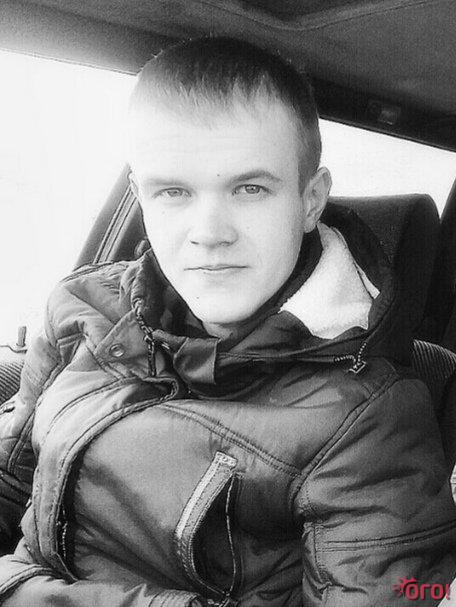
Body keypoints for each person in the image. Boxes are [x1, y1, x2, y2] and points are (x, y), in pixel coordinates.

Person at [0, 36, 455, 607]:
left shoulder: (369, 417)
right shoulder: (83, 307)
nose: (209, 232)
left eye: (249, 188)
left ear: (310, 201)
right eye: (173, 191)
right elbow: (12, 479)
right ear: (141, 196)